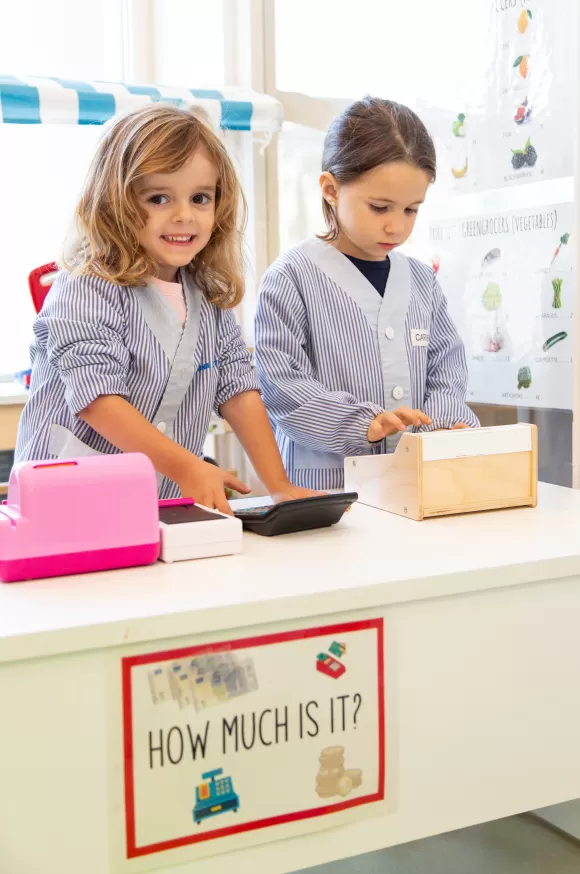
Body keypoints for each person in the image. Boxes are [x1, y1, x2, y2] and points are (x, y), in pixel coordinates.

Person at [15, 103, 315, 512]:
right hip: (66, 506)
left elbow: (239, 390)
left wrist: (280, 486)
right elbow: (96, 398)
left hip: (162, 508)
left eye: (200, 198)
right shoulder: (85, 285)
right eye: (158, 198)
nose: (183, 216)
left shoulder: (206, 297)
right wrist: (188, 467)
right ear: (113, 202)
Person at [255, 96, 479, 490]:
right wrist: (363, 423)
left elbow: (447, 365)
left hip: (418, 484)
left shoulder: (422, 281)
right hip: (325, 485)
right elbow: (282, 385)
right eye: (380, 207)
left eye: (411, 210)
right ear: (330, 188)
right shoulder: (291, 277)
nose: (397, 227)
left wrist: (443, 421)